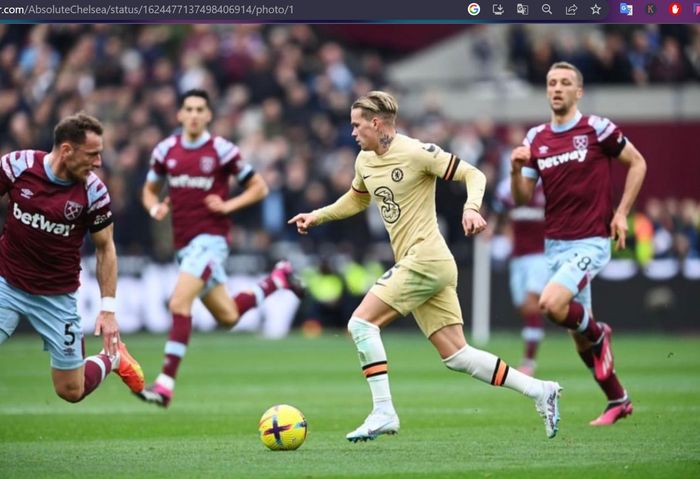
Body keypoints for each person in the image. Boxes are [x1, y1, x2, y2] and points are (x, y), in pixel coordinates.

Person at [289, 91, 562, 441]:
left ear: (376, 123)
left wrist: (471, 208)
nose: (353, 132)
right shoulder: (364, 161)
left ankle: (383, 410)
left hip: (427, 257)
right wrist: (317, 216)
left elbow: (474, 174)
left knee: (360, 324)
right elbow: (356, 200)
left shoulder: (417, 152)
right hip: (423, 263)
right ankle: (541, 390)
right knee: (458, 356)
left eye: (357, 125)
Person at [138, 89, 303, 408]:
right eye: (189, 109)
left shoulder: (222, 150)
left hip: (211, 242)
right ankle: (277, 280)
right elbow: (148, 191)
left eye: (201, 109)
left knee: (178, 303)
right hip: (184, 246)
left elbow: (259, 187)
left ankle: (165, 384)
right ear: (180, 115)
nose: (195, 114)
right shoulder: (165, 151)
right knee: (227, 316)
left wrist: (228, 205)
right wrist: (154, 208)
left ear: (209, 115)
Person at [510, 62, 647, 426]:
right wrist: (514, 169)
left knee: (551, 305)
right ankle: (618, 399)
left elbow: (638, 163)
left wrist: (621, 214)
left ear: (578, 91)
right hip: (555, 244)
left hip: (591, 241)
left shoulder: (597, 128)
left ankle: (600, 332)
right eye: (552, 83)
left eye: (565, 83)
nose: (557, 88)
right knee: (578, 340)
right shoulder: (536, 138)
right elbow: (523, 199)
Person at [0, 113, 144, 402]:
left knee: (71, 390)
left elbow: (106, 249)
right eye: (92, 154)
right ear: (66, 150)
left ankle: (112, 358)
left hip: (57, 296)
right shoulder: (18, 166)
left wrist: (108, 310)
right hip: (7, 282)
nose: (99, 162)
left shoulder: (93, 192)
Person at [493, 177, 548, 376]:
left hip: (540, 257)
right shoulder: (511, 192)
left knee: (531, 303)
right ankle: (558, 311)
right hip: (517, 258)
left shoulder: (546, 189)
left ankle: (528, 362)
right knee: (523, 307)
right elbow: (502, 217)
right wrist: (496, 231)